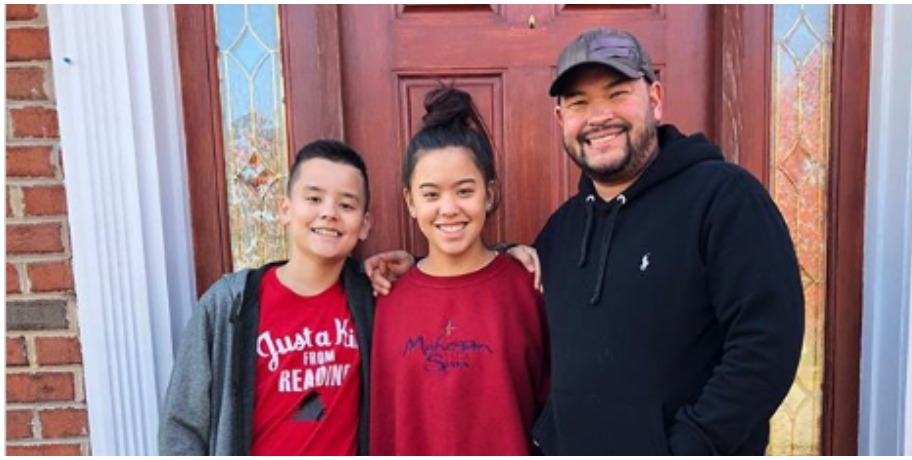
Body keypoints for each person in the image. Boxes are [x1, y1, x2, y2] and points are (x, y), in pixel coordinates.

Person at [367, 27, 804, 455]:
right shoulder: (563, 230)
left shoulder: (723, 198)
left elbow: (766, 345)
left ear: (654, 99)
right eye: (579, 103)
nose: (598, 117)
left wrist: (689, 445)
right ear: (561, 119)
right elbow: (484, 284)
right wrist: (426, 262)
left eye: (617, 94)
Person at [159, 140, 375, 455]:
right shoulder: (229, 304)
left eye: (346, 204)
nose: (329, 213)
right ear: (285, 210)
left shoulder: (373, 299)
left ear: (365, 224)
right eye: (314, 198)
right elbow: (183, 426)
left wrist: (409, 263)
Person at [369, 87, 549, 455]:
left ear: (489, 193)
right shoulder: (385, 296)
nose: (448, 209)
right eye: (431, 194)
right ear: (411, 202)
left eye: (464, 191)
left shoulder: (528, 286)